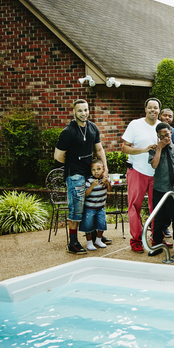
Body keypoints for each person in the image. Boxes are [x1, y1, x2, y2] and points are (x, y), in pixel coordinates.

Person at [54, 99, 108, 254]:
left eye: (86, 110)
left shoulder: (93, 127)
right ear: (74, 112)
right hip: (75, 176)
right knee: (76, 210)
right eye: (80, 111)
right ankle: (73, 243)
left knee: (91, 206)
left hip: (89, 174)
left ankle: (93, 236)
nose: (84, 113)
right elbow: (58, 156)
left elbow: (99, 150)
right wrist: (73, 164)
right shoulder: (68, 131)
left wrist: (105, 169)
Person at [120, 97, 161, 253]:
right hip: (137, 171)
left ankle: (156, 238)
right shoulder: (135, 125)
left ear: (159, 110)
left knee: (156, 208)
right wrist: (144, 150)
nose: (153, 110)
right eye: (150, 107)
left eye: (155, 108)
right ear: (145, 109)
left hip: (156, 174)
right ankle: (136, 240)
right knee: (134, 207)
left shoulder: (162, 127)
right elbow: (124, 148)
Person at [147, 123, 174, 257]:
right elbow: (154, 165)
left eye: (167, 135)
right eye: (162, 136)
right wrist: (159, 148)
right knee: (158, 218)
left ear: (171, 133)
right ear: (158, 137)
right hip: (159, 189)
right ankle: (157, 244)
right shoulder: (154, 150)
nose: (165, 138)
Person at [80, 158, 111, 251]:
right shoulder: (89, 180)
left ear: (103, 169)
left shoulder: (105, 179)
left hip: (101, 207)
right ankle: (89, 243)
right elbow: (86, 194)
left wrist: (108, 182)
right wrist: (92, 186)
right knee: (88, 226)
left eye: (98, 169)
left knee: (102, 224)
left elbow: (109, 189)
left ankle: (98, 240)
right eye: (93, 170)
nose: (96, 171)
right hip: (90, 208)